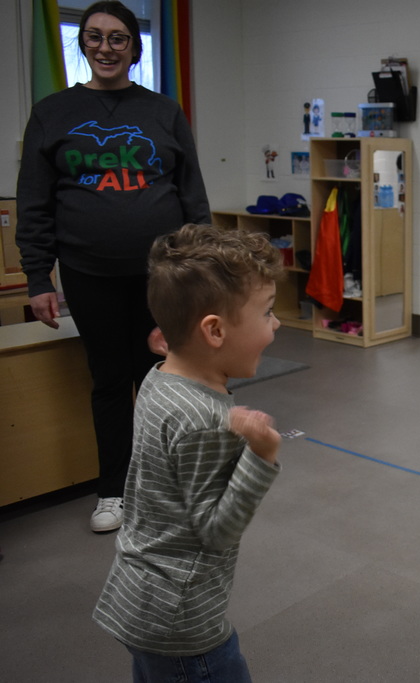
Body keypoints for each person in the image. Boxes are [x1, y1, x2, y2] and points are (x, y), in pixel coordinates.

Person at [16, 1, 210, 532]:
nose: (106, 47)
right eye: (95, 37)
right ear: (82, 44)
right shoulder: (52, 113)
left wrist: (205, 270)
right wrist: (38, 278)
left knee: (161, 380)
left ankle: (159, 491)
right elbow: (34, 201)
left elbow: (193, 195)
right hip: (88, 272)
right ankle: (112, 492)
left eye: (118, 38)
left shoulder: (164, 112)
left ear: (134, 47)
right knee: (108, 381)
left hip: (162, 276)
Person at [93, 223, 283, 681]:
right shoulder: (205, 422)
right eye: (268, 313)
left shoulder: (160, 377)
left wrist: (172, 343)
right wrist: (260, 456)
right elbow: (216, 531)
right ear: (214, 331)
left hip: (144, 599)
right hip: (183, 623)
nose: (276, 325)